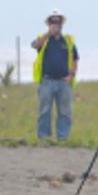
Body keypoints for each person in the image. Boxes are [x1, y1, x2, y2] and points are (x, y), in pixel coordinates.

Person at [31, 9, 79, 141]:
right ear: (49, 24)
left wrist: (71, 75)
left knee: (64, 112)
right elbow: (35, 45)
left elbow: (75, 59)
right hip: (47, 81)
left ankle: (63, 138)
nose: (55, 24)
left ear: (62, 24)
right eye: (53, 22)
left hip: (64, 82)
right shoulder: (44, 39)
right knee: (44, 111)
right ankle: (44, 138)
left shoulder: (68, 41)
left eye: (58, 22)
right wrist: (48, 33)